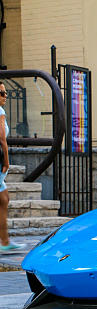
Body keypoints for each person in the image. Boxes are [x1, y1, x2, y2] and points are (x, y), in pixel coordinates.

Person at [0, 81, 22, 253]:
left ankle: (5, 242)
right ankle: (5, 242)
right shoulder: (0, 112)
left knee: (4, 200)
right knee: (3, 200)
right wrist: (7, 161)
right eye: (2, 93)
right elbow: (2, 139)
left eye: (5, 93)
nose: (5, 96)